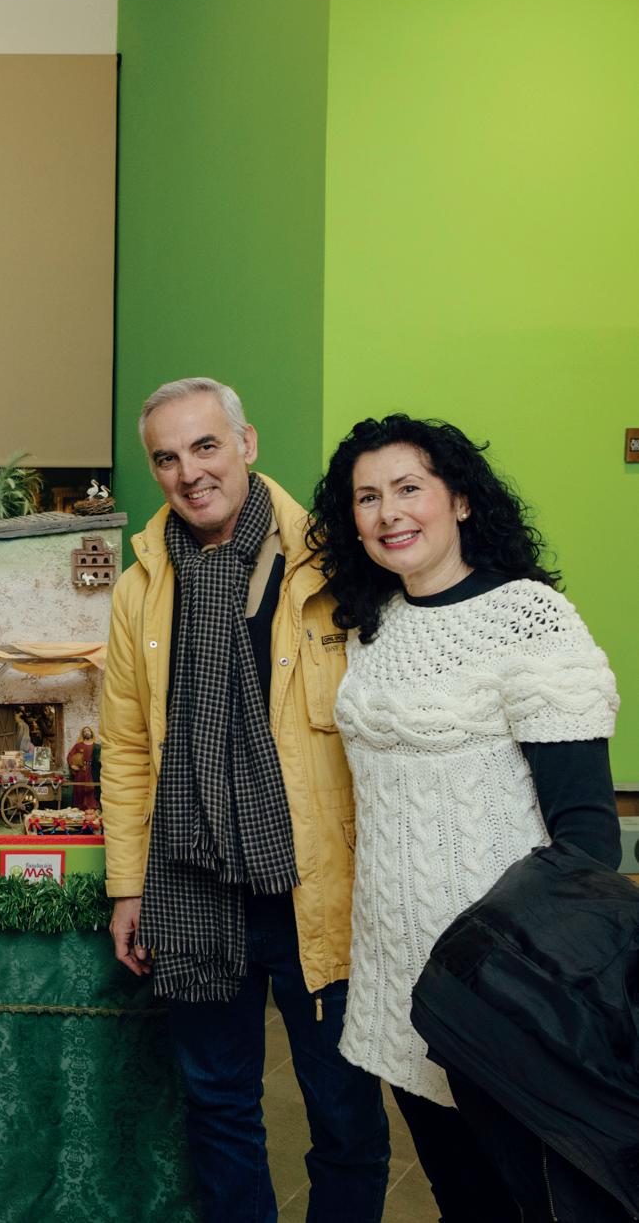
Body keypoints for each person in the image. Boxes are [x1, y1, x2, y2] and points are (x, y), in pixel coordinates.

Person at [307, 414, 622, 1220]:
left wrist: (528, 982)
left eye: (409, 488)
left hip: (504, 992)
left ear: (461, 500)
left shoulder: (529, 619)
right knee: (462, 1199)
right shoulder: (372, 624)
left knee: (532, 1202)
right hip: (399, 980)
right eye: (367, 498)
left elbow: (587, 841)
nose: (388, 513)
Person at [101, 378, 389, 1222]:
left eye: (206, 446)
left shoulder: (336, 561)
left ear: (247, 443)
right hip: (192, 884)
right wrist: (128, 885)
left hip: (317, 884)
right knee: (219, 1106)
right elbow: (126, 746)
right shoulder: (140, 587)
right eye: (166, 458)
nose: (189, 472)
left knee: (345, 1116)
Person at [66, 726, 100, 811]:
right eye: (84, 731)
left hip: (92, 771)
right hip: (81, 771)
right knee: (80, 789)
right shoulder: (78, 745)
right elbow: (70, 756)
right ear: (82, 734)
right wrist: (72, 765)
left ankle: (92, 809)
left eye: (88, 731)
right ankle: (79, 809)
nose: (86, 732)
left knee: (91, 789)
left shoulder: (96, 746)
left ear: (91, 733)